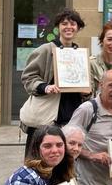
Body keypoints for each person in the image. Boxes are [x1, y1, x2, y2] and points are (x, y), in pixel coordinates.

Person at [20, 8, 86, 145]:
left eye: (73, 24)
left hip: (72, 117)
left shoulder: (80, 53)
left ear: (78, 28)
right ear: (58, 27)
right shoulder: (45, 50)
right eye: (64, 23)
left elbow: (85, 85)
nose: (69, 27)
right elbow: (28, 77)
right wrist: (45, 87)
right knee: (40, 160)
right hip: (47, 117)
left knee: (67, 162)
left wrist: (87, 91)